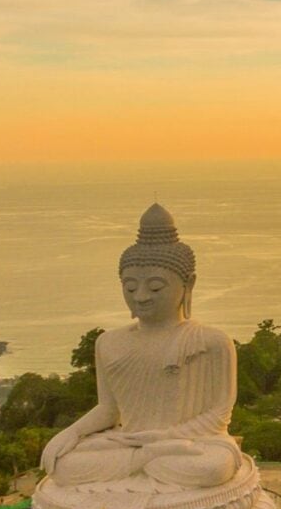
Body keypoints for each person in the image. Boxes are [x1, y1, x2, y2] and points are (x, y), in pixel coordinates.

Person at [40, 204, 241, 490]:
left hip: (192, 443)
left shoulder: (212, 342)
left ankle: (151, 457)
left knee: (210, 468)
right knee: (63, 465)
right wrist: (72, 432)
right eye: (130, 287)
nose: (141, 296)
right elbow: (109, 409)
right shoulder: (108, 342)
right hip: (130, 442)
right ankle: (149, 458)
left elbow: (219, 414)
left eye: (156, 287)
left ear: (189, 284)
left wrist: (167, 437)